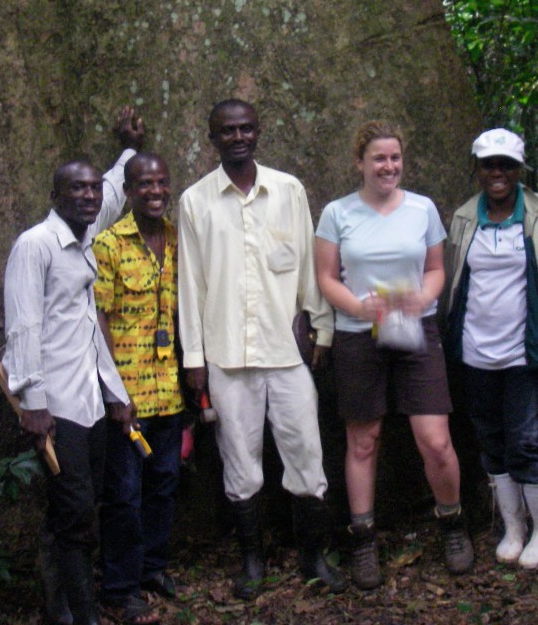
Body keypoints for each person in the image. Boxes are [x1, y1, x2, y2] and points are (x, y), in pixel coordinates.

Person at [178, 98, 346, 598]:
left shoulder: (288, 191)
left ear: (258, 132)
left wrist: (322, 326)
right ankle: (252, 562)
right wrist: (194, 360)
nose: (237, 137)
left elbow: (308, 269)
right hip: (227, 356)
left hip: (287, 351)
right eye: (227, 131)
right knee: (240, 462)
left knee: (306, 455)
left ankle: (314, 558)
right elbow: (192, 286)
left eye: (245, 129)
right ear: (212, 138)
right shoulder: (196, 201)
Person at [314, 120, 474, 586]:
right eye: (379, 158)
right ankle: (363, 539)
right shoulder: (337, 213)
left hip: (414, 330)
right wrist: (358, 306)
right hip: (357, 333)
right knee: (363, 440)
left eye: (395, 158)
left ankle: (453, 524)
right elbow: (326, 276)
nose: (388, 166)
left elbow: (436, 269)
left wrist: (424, 298)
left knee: (436, 440)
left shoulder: (422, 209)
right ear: (359, 163)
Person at [2, 108, 145, 625]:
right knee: (75, 512)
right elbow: (22, 326)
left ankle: (63, 605)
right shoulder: (36, 246)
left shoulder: (85, 239)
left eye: (90, 190)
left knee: (80, 509)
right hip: (56, 407)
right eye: (75, 190)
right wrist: (32, 404)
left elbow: (111, 190)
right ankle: (79, 613)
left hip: (90, 403)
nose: (88, 196)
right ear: (54, 197)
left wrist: (117, 395)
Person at [443, 128, 538, 570]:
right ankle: (514, 525)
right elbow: (451, 282)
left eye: (506, 164)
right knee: (490, 439)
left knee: (525, 440)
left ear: (519, 169)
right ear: (478, 169)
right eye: (489, 164)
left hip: (527, 350)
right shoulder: (466, 216)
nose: (497, 172)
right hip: (475, 352)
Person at [94, 153, 182, 625]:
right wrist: (114, 392)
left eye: (161, 183)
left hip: (168, 388)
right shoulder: (109, 244)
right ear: (127, 192)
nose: (154, 191)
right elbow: (100, 317)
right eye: (144, 183)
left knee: (164, 485)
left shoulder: (174, 238)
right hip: (125, 394)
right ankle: (120, 587)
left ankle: (152, 568)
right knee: (124, 494)